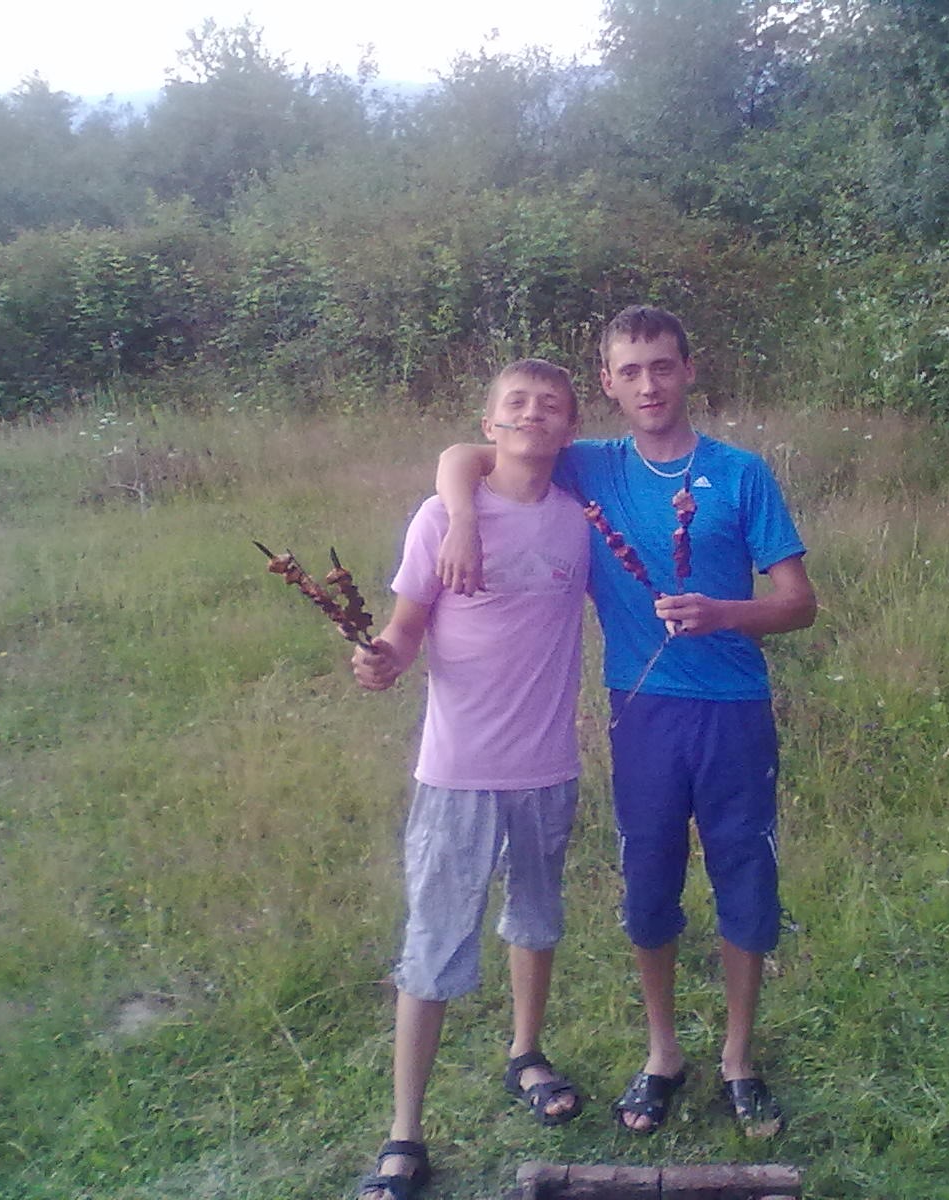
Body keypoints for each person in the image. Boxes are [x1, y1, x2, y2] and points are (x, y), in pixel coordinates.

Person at [435, 306, 816, 1139]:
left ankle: (739, 1059)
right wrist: (460, 517)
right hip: (641, 713)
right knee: (648, 888)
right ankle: (662, 1053)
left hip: (734, 711)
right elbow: (467, 453)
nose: (649, 384)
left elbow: (798, 603)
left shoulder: (741, 473)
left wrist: (724, 612)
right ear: (607, 384)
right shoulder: (590, 465)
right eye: (630, 371)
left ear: (688, 370)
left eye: (662, 366)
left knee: (745, 880)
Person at [351, 359, 591, 1200]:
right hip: (457, 772)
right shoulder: (440, 517)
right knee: (433, 943)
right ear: (489, 424)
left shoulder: (579, 522)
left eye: (551, 405)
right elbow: (405, 627)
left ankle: (526, 1053)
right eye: (515, 403)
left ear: (570, 430)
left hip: (547, 767)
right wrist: (384, 659)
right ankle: (404, 1133)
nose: (533, 413)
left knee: (536, 920)